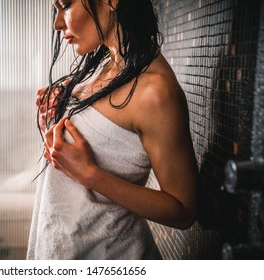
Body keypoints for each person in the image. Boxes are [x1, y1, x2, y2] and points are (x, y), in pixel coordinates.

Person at [27, 0, 198, 260]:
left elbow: (183, 211)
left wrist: (91, 176)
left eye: (65, 5)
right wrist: (57, 113)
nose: (57, 23)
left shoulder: (155, 93)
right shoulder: (107, 65)